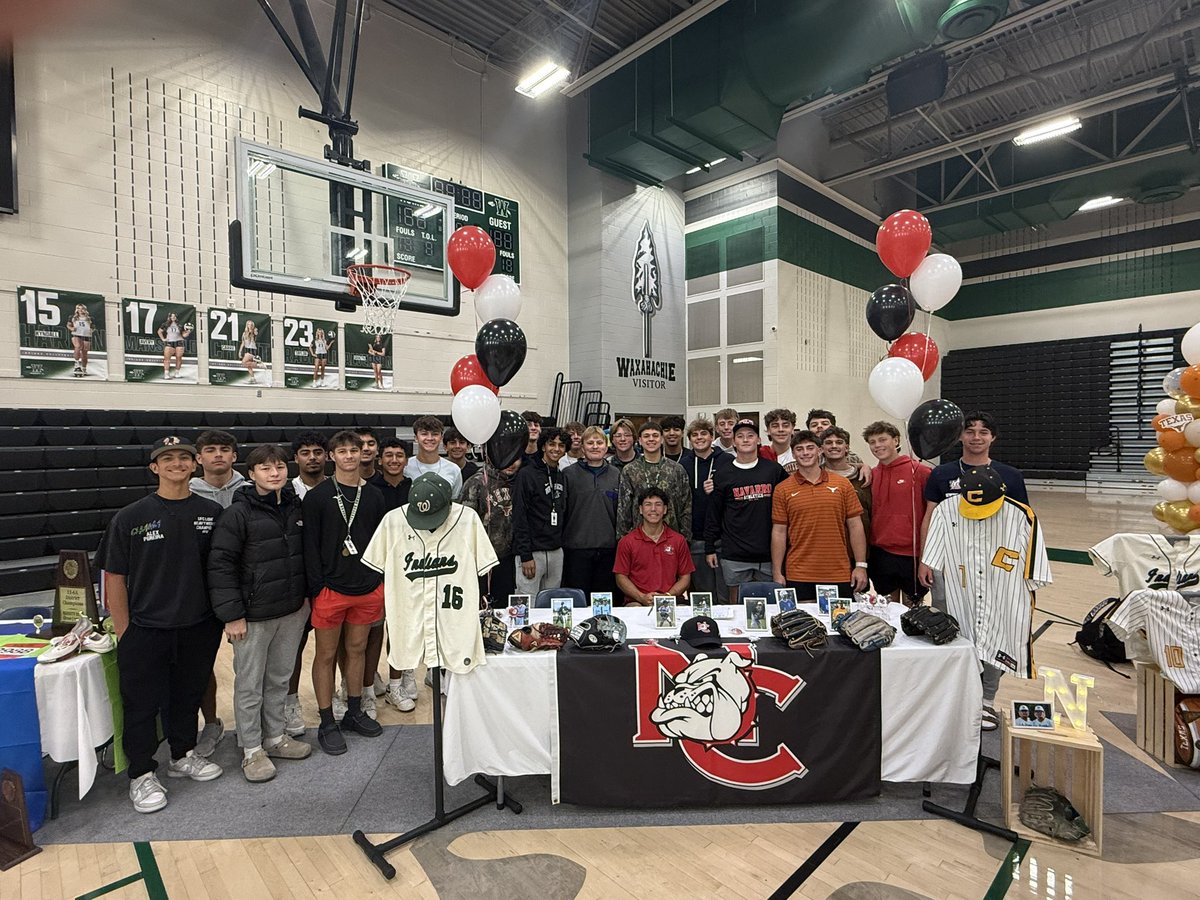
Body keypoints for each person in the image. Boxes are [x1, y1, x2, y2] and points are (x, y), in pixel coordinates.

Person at [99, 437, 224, 813]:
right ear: (154, 468)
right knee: (140, 704)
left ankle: (182, 754)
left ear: (194, 465)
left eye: (183, 458)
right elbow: (114, 577)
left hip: (197, 625)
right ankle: (141, 774)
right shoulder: (131, 517)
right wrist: (124, 629)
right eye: (166, 459)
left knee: (186, 695)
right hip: (145, 627)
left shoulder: (210, 512)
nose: (176, 464)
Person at [208, 444, 312, 783]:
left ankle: (276, 736)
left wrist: (305, 601)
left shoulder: (295, 506)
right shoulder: (237, 515)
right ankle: (252, 749)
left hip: (291, 610)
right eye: (265, 468)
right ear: (251, 474)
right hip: (252, 616)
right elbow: (221, 565)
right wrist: (232, 615)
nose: (274, 473)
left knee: (280, 679)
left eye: (279, 466)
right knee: (250, 685)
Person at [920, 465, 1050, 733]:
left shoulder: (1021, 515)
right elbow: (933, 555)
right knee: (955, 638)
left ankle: (987, 700)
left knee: (996, 641)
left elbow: (1036, 571)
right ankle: (957, 697)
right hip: (960, 589)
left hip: (1001, 590)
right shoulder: (946, 509)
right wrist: (927, 566)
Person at [302, 430, 387, 754]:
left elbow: (382, 544)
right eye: (343, 451)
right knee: (325, 655)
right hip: (331, 590)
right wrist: (317, 589)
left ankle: (353, 710)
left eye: (356, 449)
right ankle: (326, 719)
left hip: (367, 588)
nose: (350, 455)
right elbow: (309, 546)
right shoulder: (318, 496)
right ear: (331, 456)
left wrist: (379, 582)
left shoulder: (375, 496)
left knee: (357, 651)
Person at [919, 411, 1030, 603]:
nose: (976, 437)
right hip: (948, 561)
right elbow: (929, 517)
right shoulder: (940, 474)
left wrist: (1024, 564)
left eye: (983, 432)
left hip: (994, 562)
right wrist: (925, 560)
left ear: (992, 437)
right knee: (945, 618)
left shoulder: (1011, 476)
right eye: (969, 431)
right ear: (960, 436)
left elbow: (1024, 524)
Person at [188, 429, 246, 757]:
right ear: (199, 458)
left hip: (244, 588)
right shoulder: (187, 491)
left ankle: (255, 722)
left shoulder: (250, 489)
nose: (218, 455)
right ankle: (211, 723)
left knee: (249, 664)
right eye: (210, 450)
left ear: (235, 456)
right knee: (201, 664)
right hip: (199, 589)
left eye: (225, 449)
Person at [771, 430, 869, 599]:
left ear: (820, 450)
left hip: (838, 572)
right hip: (798, 573)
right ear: (793, 454)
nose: (805, 453)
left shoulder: (843, 484)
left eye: (810, 448)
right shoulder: (782, 489)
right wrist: (777, 571)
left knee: (840, 624)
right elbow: (779, 532)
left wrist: (860, 566)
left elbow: (855, 526)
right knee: (803, 625)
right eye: (800, 449)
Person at [704, 419, 786, 602]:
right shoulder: (723, 474)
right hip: (734, 554)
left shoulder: (774, 470)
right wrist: (709, 547)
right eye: (740, 436)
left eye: (750, 435)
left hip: (769, 554)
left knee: (771, 606)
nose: (746, 440)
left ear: (758, 440)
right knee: (737, 605)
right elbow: (714, 514)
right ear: (733, 442)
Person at [863, 420, 930, 606]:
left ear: (896, 440)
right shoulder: (871, 474)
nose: (878, 445)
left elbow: (931, 514)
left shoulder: (920, 472)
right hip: (882, 553)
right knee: (888, 610)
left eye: (883, 439)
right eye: (872, 442)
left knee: (913, 612)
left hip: (912, 554)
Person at [562, 425, 620, 597]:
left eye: (599, 442)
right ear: (582, 446)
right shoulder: (568, 474)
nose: (595, 446)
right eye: (590, 442)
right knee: (578, 600)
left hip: (608, 549)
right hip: (576, 550)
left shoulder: (617, 474)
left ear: (606, 446)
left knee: (604, 602)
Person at [614, 488, 695, 606]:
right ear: (641, 510)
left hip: (672, 599)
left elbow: (685, 577)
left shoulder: (678, 540)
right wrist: (641, 597)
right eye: (648, 504)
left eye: (658, 505)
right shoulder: (627, 542)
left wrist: (667, 596)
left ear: (665, 509)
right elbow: (620, 577)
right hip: (637, 601)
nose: (653, 509)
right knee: (635, 609)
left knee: (683, 614)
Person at [679, 416, 731, 598]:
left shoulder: (726, 461)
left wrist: (717, 489)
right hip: (696, 538)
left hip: (724, 537)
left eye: (704, 434)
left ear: (711, 437)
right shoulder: (683, 465)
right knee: (703, 594)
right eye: (694, 435)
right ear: (690, 439)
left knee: (725, 594)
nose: (699, 438)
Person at [512, 427, 568, 595]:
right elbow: (519, 515)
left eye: (561, 445)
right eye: (552, 444)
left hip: (555, 551)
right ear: (543, 446)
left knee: (551, 606)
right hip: (532, 553)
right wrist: (525, 555)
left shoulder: (562, 475)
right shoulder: (526, 474)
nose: (556, 449)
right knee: (527, 605)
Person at [462, 455, 522, 611]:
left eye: (516, 458)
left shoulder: (521, 480)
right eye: (506, 458)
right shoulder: (476, 482)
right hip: (483, 561)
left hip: (512, 558)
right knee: (482, 608)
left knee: (507, 608)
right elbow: (464, 524)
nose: (511, 463)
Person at [616, 421, 691, 539]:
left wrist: (685, 538)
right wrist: (623, 539)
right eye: (646, 436)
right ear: (640, 441)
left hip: (671, 538)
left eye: (655, 435)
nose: (651, 439)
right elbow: (623, 509)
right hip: (639, 539)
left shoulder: (676, 469)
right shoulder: (630, 470)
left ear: (662, 439)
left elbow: (686, 506)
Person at [821, 427, 872, 540]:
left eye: (839, 442)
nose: (834, 446)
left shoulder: (864, 477)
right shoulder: (814, 477)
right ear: (822, 449)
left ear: (847, 448)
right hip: (826, 547)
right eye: (829, 443)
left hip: (860, 550)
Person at [405, 416, 463, 499]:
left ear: (441, 438)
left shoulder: (453, 469)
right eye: (424, 434)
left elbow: (454, 503)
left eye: (435, 434)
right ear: (416, 438)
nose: (430, 438)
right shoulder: (405, 467)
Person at [808, 409, 871, 482]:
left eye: (824, 423)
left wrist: (864, 466)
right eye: (814, 425)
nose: (819, 426)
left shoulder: (852, 456)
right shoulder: (805, 455)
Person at [370, 437, 411, 511]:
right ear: (380, 461)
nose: (394, 460)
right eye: (389, 455)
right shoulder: (371, 490)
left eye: (399, 456)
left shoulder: (412, 488)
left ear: (406, 461)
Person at [290, 431, 328, 500]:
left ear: (326, 456)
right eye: (305, 454)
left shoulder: (337, 487)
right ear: (296, 458)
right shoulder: (288, 491)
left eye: (318, 453)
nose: (312, 457)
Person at [157, 312, 191, 380]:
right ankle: (166, 373)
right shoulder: (165, 324)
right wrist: (163, 339)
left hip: (179, 342)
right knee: (167, 359)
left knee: (179, 357)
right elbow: (159, 331)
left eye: (174, 317)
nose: (173, 318)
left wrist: (188, 332)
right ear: (169, 317)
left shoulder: (179, 325)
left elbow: (183, 335)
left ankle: (177, 373)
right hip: (170, 342)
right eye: (172, 317)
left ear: (176, 317)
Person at [68, 304, 94, 377]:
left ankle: (84, 368)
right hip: (76, 334)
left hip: (86, 335)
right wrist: (71, 328)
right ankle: (76, 364)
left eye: (82, 308)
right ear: (77, 309)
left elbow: (93, 327)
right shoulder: (73, 317)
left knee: (84, 353)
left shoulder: (89, 318)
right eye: (78, 308)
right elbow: (68, 325)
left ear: (85, 309)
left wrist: (91, 330)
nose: (80, 310)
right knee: (78, 346)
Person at [239, 320, 260, 384]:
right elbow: (243, 343)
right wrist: (240, 351)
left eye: (251, 325)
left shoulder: (253, 331)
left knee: (244, 363)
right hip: (246, 349)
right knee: (249, 366)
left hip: (252, 350)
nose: (250, 326)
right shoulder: (244, 333)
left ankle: (259, 365)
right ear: (247, 325)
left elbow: (256, 334)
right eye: (248, 324)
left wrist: (254, 330)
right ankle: (253, 378)